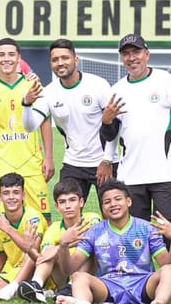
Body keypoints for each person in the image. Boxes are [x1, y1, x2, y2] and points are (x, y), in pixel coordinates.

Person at [100, 34, 171, 294]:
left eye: (136, 52)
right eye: (126, 54)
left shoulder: (165, 80)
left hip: (166, 172)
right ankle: (140, 281)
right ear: (122, 58)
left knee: (167, 229)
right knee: (135, 233)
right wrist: (106, 121)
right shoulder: (117, 89)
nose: (132, 58)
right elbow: (109, 136)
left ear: (146, 53)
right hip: (131, 175)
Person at [54, 180, 171, 304]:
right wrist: (63, 245)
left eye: (118, 199)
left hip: (143, 284)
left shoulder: (147, 228)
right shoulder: (94, 231)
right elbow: (69, 269)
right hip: (107, 286)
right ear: (103, 207)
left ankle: (157, 303)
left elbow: (168, 264)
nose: (113, 204)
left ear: (128, 201)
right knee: (78, 277)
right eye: (107, 202)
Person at [22, 38, 117, 203]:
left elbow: (114, 124)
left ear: (76, 60)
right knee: (68, 212)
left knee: (113, 215)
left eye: (65, 58)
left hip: (105, 162)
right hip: (73, 164)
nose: (60, 63)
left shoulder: (98, 85)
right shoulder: (48, 92)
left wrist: (107, 159)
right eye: (55, 59)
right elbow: (30, 126)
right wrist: (27, 104)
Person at [0, 38, 54, 220]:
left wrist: (48, 157)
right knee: (2, 218)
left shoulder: (32, 85)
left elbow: (45, 121)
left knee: (43, 216)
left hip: (31, 162)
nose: (6, 59)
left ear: (19, 58)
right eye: (1, 55)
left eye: (11, 55)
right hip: (0, 163)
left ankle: (43, 250)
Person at [16, 177, 101, 303]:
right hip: (63, 276)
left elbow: (91, 240)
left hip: (87, 277)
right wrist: (29, 250)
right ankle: (36, 285)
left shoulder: (92, 218)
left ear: (81, 202)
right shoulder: (54, 228)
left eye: (72, 200)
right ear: (57, 206)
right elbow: (43, 257)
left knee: (88, 249)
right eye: (62, 202)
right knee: (49, 250)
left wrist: (61, 246)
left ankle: (72, 287)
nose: (68, 206)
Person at [0, 173, 47, 300]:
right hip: (11, 271)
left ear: (23, 195)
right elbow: (1, 255)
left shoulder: (33, 217)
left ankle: (15, 287)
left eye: (16, 192)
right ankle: (23, 291)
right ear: (0, 197)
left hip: (34, 270)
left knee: (29, 255)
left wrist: (8, 229)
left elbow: (32, 251)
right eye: (6, 193)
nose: (11, 197)